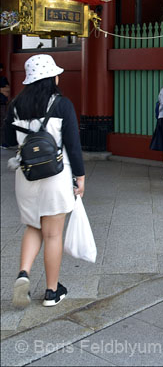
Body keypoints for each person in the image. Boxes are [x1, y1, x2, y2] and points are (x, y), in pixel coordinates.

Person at [4, 54, 85, 308]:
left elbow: (7, 140)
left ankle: (23, 274)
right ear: (53, 77)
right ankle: (52, 291)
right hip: (56, 176)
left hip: (26, 176)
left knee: (32, 226)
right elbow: (73, 145)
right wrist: (80, 178)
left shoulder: (15, 105)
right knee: (52, 234)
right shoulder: (62, 105)